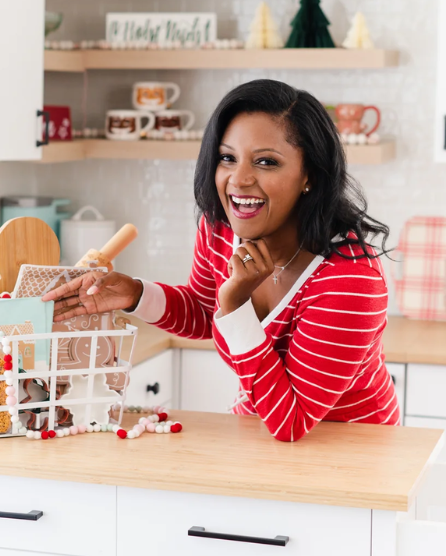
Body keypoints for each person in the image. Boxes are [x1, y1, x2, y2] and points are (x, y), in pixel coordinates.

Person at [42, 79, 398, 442]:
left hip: (353, 450)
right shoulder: (221, 230)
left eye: (266, 162)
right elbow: (203, 310)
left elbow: (291, 422)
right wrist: (134, 294)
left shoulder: (351, 280)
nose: (238, 179)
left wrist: (235, 302)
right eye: (228, 158)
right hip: (258, 431)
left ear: (309, 175)